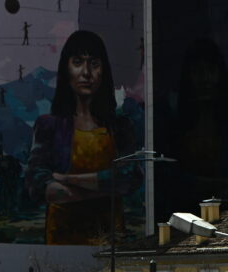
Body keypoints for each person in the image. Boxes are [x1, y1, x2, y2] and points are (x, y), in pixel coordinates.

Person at [24, 30, 141, 245]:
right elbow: (37, 183)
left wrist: (67, 179)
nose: (86, 72)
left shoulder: (121, 127)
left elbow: (129, 178)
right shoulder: (50, 126)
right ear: (66, 68)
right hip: (62, 242)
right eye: (78, 62)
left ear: (103, 70)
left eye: (94, 63)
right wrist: (105, 190)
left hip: (111, 243)